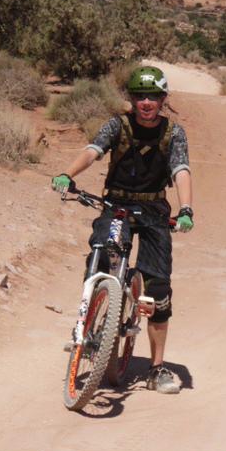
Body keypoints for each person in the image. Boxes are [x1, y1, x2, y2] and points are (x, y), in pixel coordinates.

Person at [52, 65, 193, 394]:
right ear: (131, 99)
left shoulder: (174, 133)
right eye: (140, 96)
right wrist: (67, 174)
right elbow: (93, 151)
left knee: (158, 291)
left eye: (153, 97)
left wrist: (186, 208)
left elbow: (181, 170)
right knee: (104, 254)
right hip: (117, 205)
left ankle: (156, 370)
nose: (146, 103)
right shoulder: (118, 125)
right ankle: (94, 314)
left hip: (155, 209)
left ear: (162, 100)